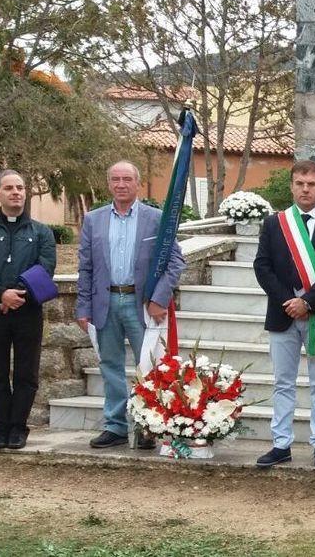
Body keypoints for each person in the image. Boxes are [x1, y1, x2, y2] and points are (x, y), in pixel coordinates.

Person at [75, 161, 185, 449]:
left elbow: (175, 261)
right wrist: (83, 307)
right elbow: (85, 267)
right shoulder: (93, 220)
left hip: (142, 303)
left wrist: (160, 298)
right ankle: (115, 426)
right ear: (109, 184)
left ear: (137, 183)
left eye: (127, 179)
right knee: (110, 365)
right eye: (115, 179)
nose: (121, 184)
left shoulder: (156, 218)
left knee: (148, 366)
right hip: (105, 302)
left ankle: (148, 426)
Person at [253, 159, 315, 471]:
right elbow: (262, 266)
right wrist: (288, 301)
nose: (305, 189)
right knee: (283, 381)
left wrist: (307, 302)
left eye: (311, 184)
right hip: (283, 314)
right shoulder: (274, 224)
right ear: (292, 186)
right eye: (299, 183)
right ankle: (281, 443)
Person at [0, 169, 57, 450]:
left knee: (26, 374)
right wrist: (0, 292)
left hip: (27, 311)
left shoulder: (42, 232)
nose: (15, 192)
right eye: (9, 188)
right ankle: (1, 428)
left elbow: (45, 267)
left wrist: (17, 293)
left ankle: (18, 428)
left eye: (20, 187)